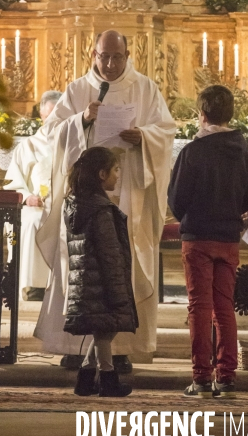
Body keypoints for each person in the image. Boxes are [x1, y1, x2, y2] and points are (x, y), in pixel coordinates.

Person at [34, 30, 176, 371]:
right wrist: (80, 120)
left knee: (120, 266)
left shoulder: (145, 88)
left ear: (128, 55)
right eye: (103, 57)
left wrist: (143, 136)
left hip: (129, 192)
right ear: (93, 54)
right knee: (80, 265)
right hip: (85, 196)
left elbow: (166, 130)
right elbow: (51, 132)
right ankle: (74, 344)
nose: (110, 64)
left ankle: (121, 349)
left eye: (117, 57)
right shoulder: (78, 89)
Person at [168, 85, 248, 398]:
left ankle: (202, 378)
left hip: (198, 238)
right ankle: (227, 376)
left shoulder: (192, 151)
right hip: (229, 238)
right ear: (230, 114)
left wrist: (191, 215)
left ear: (202, 115)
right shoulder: (242, 149)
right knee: (224, 309)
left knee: (199, 308)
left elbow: (177, 200)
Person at [65, 147, 138, 397]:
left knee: (103, 328)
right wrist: (118, 287)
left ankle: (86, 377)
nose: (118, 176)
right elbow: (109, 253)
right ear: (101, 173)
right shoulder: (100, 209)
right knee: (105, 328)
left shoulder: (76, 203)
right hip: (102, 279)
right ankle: (108, 380)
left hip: (86, 278)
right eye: (116, 170)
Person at [4, 90, 62, 301]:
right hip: (35, 205)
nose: (54, 121)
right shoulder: (27, 146)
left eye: (59, 116)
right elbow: (12, 184)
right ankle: (34, 286)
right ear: (42, 117)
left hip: (65, 205)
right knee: (32, 221)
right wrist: (28, 197)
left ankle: (64, 285)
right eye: (50, 117)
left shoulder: (73, 144)